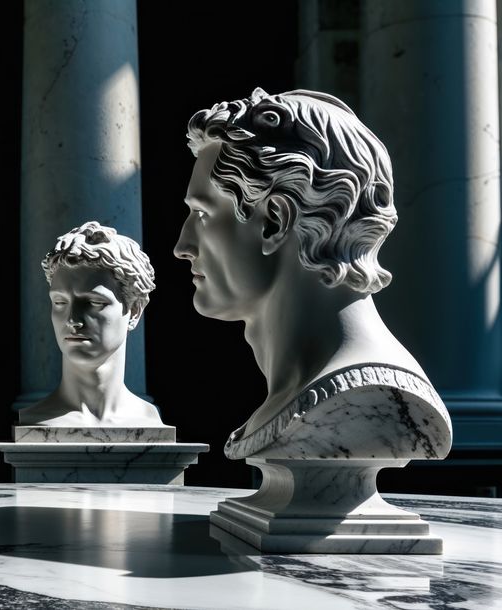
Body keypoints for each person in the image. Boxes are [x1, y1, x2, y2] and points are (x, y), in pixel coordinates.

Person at [175, 87, 447, 457]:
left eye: (202, 215)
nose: (182, 247)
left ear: (275, 220)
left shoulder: (372, 403)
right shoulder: (312, 395)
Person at [18, 221, 163, 427]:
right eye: (60, 302)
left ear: (134, 311)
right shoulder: (35, 419)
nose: (72, 320)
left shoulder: (147, 419)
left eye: (94, 302)